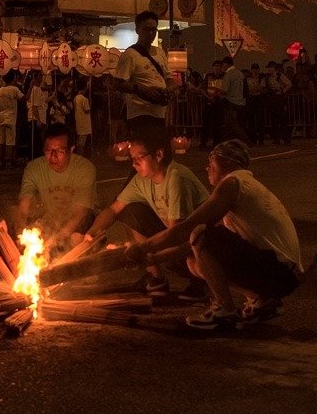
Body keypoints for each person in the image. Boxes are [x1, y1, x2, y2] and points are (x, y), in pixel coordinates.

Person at [125, 140, 303, 330]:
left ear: (227, 164)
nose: (207, 167)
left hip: (279, 273)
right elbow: (191, 246)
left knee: (201, 233)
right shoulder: (243, 184)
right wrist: (153, 259)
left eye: (212, 163)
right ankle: (261, 299)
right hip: (282, 274)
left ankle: (225, 311)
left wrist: (141, 248)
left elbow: (186, 230)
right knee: (194, 262)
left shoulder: (232, 183)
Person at [85, 130, 209, 301]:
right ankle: (157, 279)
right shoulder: (141, 180)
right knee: (130, 210)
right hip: (175, 238)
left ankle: (200, 282)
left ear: (158, 155)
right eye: (132, 158)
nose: (134, 164)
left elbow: (176, 233)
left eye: (139, 158)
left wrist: (145, 253)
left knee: (179, 246)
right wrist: (91, 234)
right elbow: (113, 210)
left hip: (201, 246)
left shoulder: (176, 178)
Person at [16, 123, 97, 253]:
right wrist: (20, 234)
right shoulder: (34, 168)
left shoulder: (85, 168)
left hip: (82, 222)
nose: (53, 157)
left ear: (71, 149)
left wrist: (57, 240)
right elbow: (24, 204)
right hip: (51, 219)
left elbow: (81, 212)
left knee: (75, 241)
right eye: (48, 151)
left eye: (60, 151)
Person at [113, 10, 175, 139]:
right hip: (140, 113)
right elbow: (118, 83)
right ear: (137, 30)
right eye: (146, 29)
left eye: (154, 30)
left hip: (159, 112)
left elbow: (169, 77)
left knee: (160, 152)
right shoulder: (130, 54)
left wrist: (169, 88)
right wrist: (143, 89)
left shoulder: (160, 52)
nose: (151, 33)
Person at [0, 70, 23, 169]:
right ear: (13, 78)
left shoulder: (0, 90)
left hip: (0, 118)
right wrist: (31, 86)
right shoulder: (14, 89)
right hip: (11, 118)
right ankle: (8, 163)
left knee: (0, 141)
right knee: (10, 142)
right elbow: (24, 98)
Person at [219, 56, 248, 142]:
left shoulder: (228, 75)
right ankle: (232, 141)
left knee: (232, 124)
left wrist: (216, 90)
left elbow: (224, 90)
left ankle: (245, 139)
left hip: (231, 102)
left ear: (225, 64)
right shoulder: (240, 73)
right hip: (241, 102)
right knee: (234, 124)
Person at [266, 61, 293, 145]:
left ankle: (286, 138)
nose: (269, 69)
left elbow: (289, 84)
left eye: (270, 67)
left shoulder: (279, 75)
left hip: (279, 97)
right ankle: (276, 138)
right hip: (272, 98)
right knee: (274, 119)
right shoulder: (268, 77)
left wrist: (282, 91)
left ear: (273, 67)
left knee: (282, 119)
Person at [245, 63, 267, 146]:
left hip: (258, 99)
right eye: (253, 69)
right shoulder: (247, 79)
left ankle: (261, 140)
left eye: (256, 69)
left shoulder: (261, 79)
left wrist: (255, 89)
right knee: (251, 121)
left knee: (260, 120)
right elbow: (249, 89)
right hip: (251, 100)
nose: (254, 70)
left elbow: (261, 89)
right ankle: (253, 140)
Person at [73, 76, 92, 158]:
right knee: (82, 143)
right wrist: (90, 103)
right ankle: (80, 157)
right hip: (84, 123)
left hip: (79, 121)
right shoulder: (84, 99)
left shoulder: (76, 98)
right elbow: (87, 110)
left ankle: (79, 156)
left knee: (80, 141)